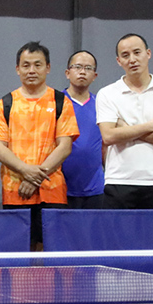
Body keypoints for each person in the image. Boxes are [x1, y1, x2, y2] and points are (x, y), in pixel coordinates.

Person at [0, 42, 78, 249]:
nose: (31, 70)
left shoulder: (61, 101)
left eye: (38, 65)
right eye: (26, 65)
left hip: (52, 190)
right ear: (17, 69)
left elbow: (65, 146)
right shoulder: (6, 103)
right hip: (15, 191)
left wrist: (35, 177)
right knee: (19, 251)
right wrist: (25, 171)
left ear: (48, 67)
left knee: (52, 250)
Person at [95, 33, 153, 209]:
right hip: (119, 181)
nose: (132, 60)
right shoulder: (107, 93)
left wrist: (126, 129)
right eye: (125, 55)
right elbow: (109, 136)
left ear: (148, 54)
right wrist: (150, 126)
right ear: (119, 61)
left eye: (137, 52)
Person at [60, 50, 105, 208]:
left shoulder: (102, 105)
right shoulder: (55, 103)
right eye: (77, 67)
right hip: (60, 187)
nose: (82, 72)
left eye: (88, 68)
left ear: (95, 76)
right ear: (67, 73)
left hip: (96, 188)